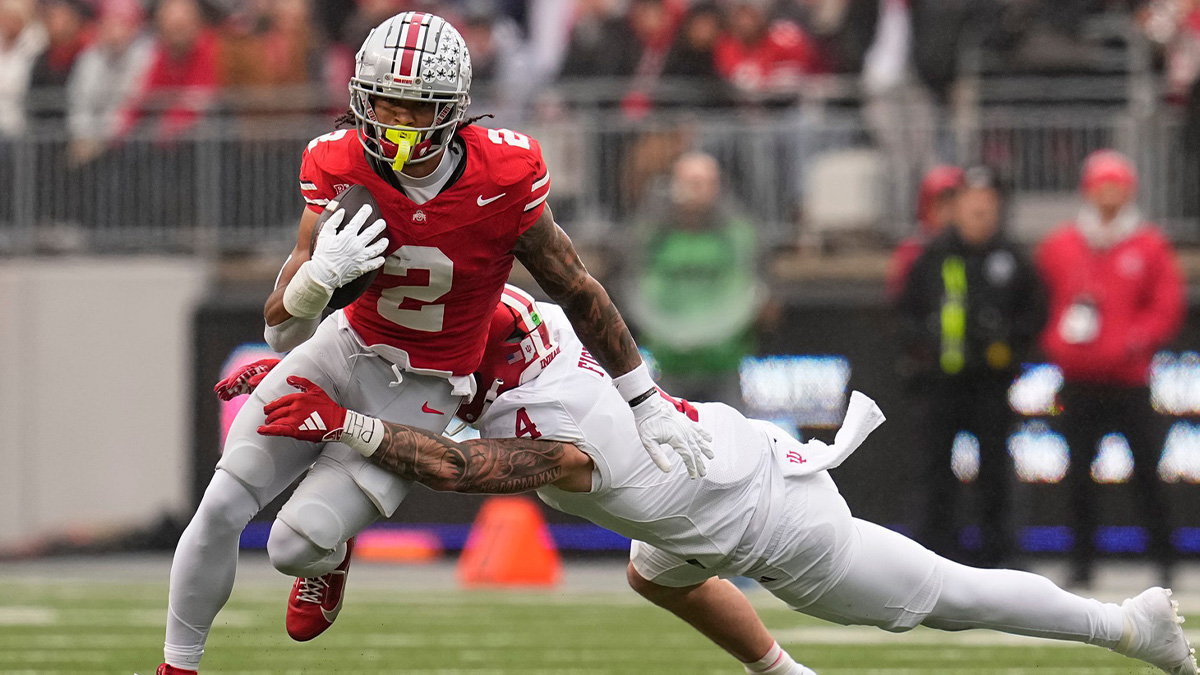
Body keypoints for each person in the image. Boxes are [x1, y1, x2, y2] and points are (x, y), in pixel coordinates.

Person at [255, 285, 1198, 675]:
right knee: (651, 569)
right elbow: (435, 336)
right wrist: (305, 353)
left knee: (942, 598)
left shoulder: (566, 425)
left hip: (768, 518)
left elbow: (459, 464)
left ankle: (1126, 625)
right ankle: (781, 672)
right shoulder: (527, 325)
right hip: (701, 467)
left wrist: (341, 417)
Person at [157, 12, 710, 675]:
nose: (391, 121)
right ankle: (177, 667)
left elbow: (575, 286)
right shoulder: (334, 160)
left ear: (451, 111)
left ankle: (331, 557)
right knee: (221, 502)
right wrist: (319, 280)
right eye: (382, 101)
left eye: (413, 108)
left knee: (294, 545)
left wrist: (642, 396)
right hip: (343, 346)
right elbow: (281, 325)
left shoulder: (505, 171)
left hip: (423, 387)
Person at [1036, 150, 1186, 589]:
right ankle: (1081, 563)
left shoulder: (1148, 244)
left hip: (1129, 380)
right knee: (1078, 477)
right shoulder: (1061, 246)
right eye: (1102, 184)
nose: (1109, 194)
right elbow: (1040, 302)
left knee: (1147, 475)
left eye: (1116, 185)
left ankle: (1165, 561)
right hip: (1079, 379)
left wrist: (1135, 341)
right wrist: (1056, 343)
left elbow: (1165, 305)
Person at [899, 166, 1047, 567]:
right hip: (940, 383)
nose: (980, 212)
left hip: (991, 384)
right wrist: (923, 349)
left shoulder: (1013, 258)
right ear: (957, 207)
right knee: (934, 473)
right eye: (972, 204)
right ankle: (931, 556)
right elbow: (906, 311)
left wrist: (1009, 352)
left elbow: (1034, 313)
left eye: (987, 205)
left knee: (995, 473)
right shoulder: (932, 255)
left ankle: (998, 557)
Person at [626, 151, 766, 407]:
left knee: (731, 439)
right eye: (690, 182)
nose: (698, 189)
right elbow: (638, 286)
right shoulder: (652, 235)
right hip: (670, 361)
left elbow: (747, 287)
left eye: (705, 182)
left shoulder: (737, 233)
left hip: (723, 361)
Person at [885, 164, 963, 301]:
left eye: (955, 205)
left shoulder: (977, 249)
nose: (949, 214)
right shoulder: (912, 252)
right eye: (941, 205)